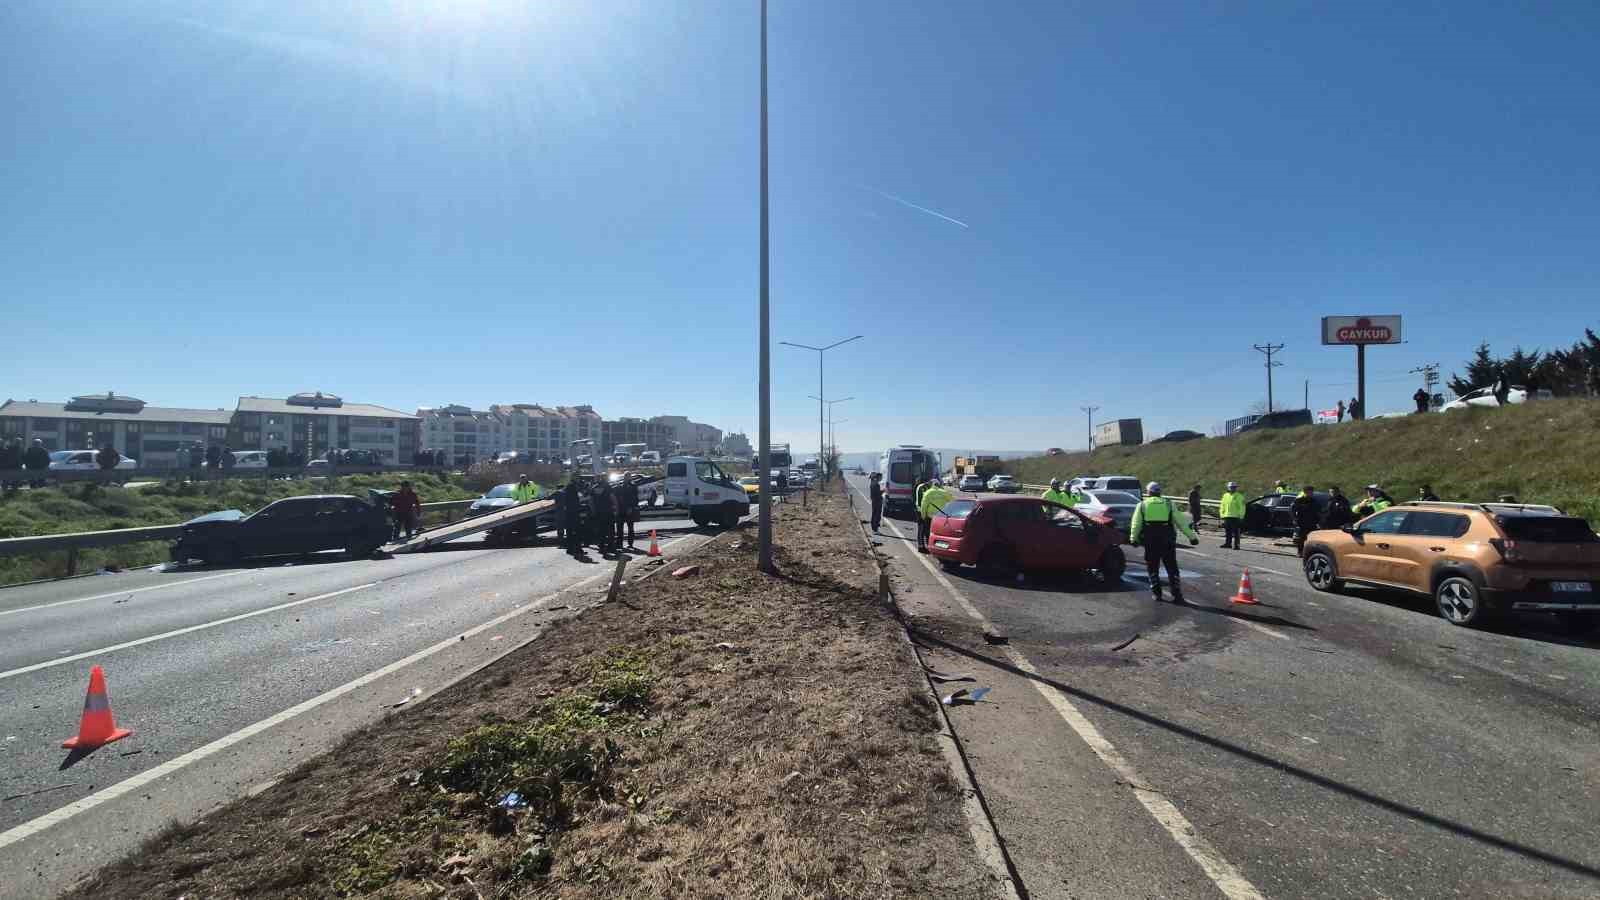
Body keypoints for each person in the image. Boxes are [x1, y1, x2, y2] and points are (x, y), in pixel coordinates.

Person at [1128, 482, 1197, 604]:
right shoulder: (1169, 504)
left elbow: (1136, 524)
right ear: (1160, 492)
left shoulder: (1142, 505)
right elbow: (1181, 522)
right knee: (1172, 567)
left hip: (1150, 540)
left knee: (1152, 567)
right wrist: (1192, 537)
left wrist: (1134, 538)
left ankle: (1156, 593)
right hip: (1167, 539)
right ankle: (1177, 594)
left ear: (1148, 492)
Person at [917, 477, 953, 553]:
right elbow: (952, 503)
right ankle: (940, 548)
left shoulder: (928, 493)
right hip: (941, 517)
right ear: (939, 484)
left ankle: (930, 547)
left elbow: (924, 506)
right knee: (940, 533)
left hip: (930, 517)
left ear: (931, 485)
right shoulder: (944, 492)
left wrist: (923, 516)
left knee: (929, 533)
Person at [1291, 485, 1319, 555]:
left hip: (1312, 523)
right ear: (1305, 492)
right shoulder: (1299, 501)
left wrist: (1319, 521)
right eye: (1310, 492)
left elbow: (1318, 512)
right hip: (1302, 522)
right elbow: (1293, 510)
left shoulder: (1314, 501)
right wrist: (1294, 519)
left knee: (1311, 539)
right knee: (1301, 538)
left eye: (1312, 492)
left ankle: (1309, 552)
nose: (1311, 493)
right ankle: (1300, 551)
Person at [1218, 481, 1246, 549]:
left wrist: (1241, 516)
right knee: (1228, 531)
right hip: (1227, 516)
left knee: (1236, 532)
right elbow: (1222, 506)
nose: (1232, 488)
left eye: (1234, 487)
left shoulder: (1239, 496)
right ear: (1228, 488)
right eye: (1231, 487)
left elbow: (1242, 507)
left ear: (1236, 488)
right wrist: (1222, 515)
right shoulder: (1225, 495)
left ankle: (1236, 545)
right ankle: (1228, 544)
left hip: (1235, 517)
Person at [590, 481, 614, 554]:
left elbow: (591, 501)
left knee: (600, 530)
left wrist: (593, 511)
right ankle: (610, 546)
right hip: (608, 512)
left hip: (598, 512)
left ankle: (602, 546)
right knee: (610, 530)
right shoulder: (607, 488)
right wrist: (616, 508)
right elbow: (612, 498)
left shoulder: (593, 489)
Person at [616, 477, 640, 548]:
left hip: (626, 509)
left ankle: (626, 543)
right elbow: (635, 499)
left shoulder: (631, 486)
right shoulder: (629, 486)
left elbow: (635, 498)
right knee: (622, 528)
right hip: (624, 510)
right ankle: (623, 543)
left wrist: (632, 507)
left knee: (627, 528)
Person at [914, 476, 935, 551]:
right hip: (920, 510)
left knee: (925, 529)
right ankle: (921, 546)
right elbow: (921, 500)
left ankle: (926, 545)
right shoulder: (921, 487)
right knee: (922, 529)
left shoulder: (923, 487)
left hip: (924, 510)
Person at [561, 480, 582, 551]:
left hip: (568, 514)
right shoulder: (575, 494)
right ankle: (578, 548)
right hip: (575, 514)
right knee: (577, 532)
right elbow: (578, 504)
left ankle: (569, 548)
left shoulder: (565, 494)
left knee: (569, 532)